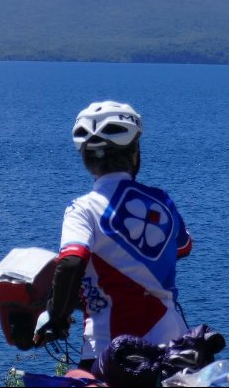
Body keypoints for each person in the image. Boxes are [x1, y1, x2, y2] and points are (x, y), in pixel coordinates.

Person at [34, 100, 193, 375]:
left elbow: (72, 262)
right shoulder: (163, 202)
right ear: (134, 154)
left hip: (110, 353)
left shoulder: (82, 209)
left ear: (86, 159)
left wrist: (55, 315)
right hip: (173, 343)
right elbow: (183, 246)